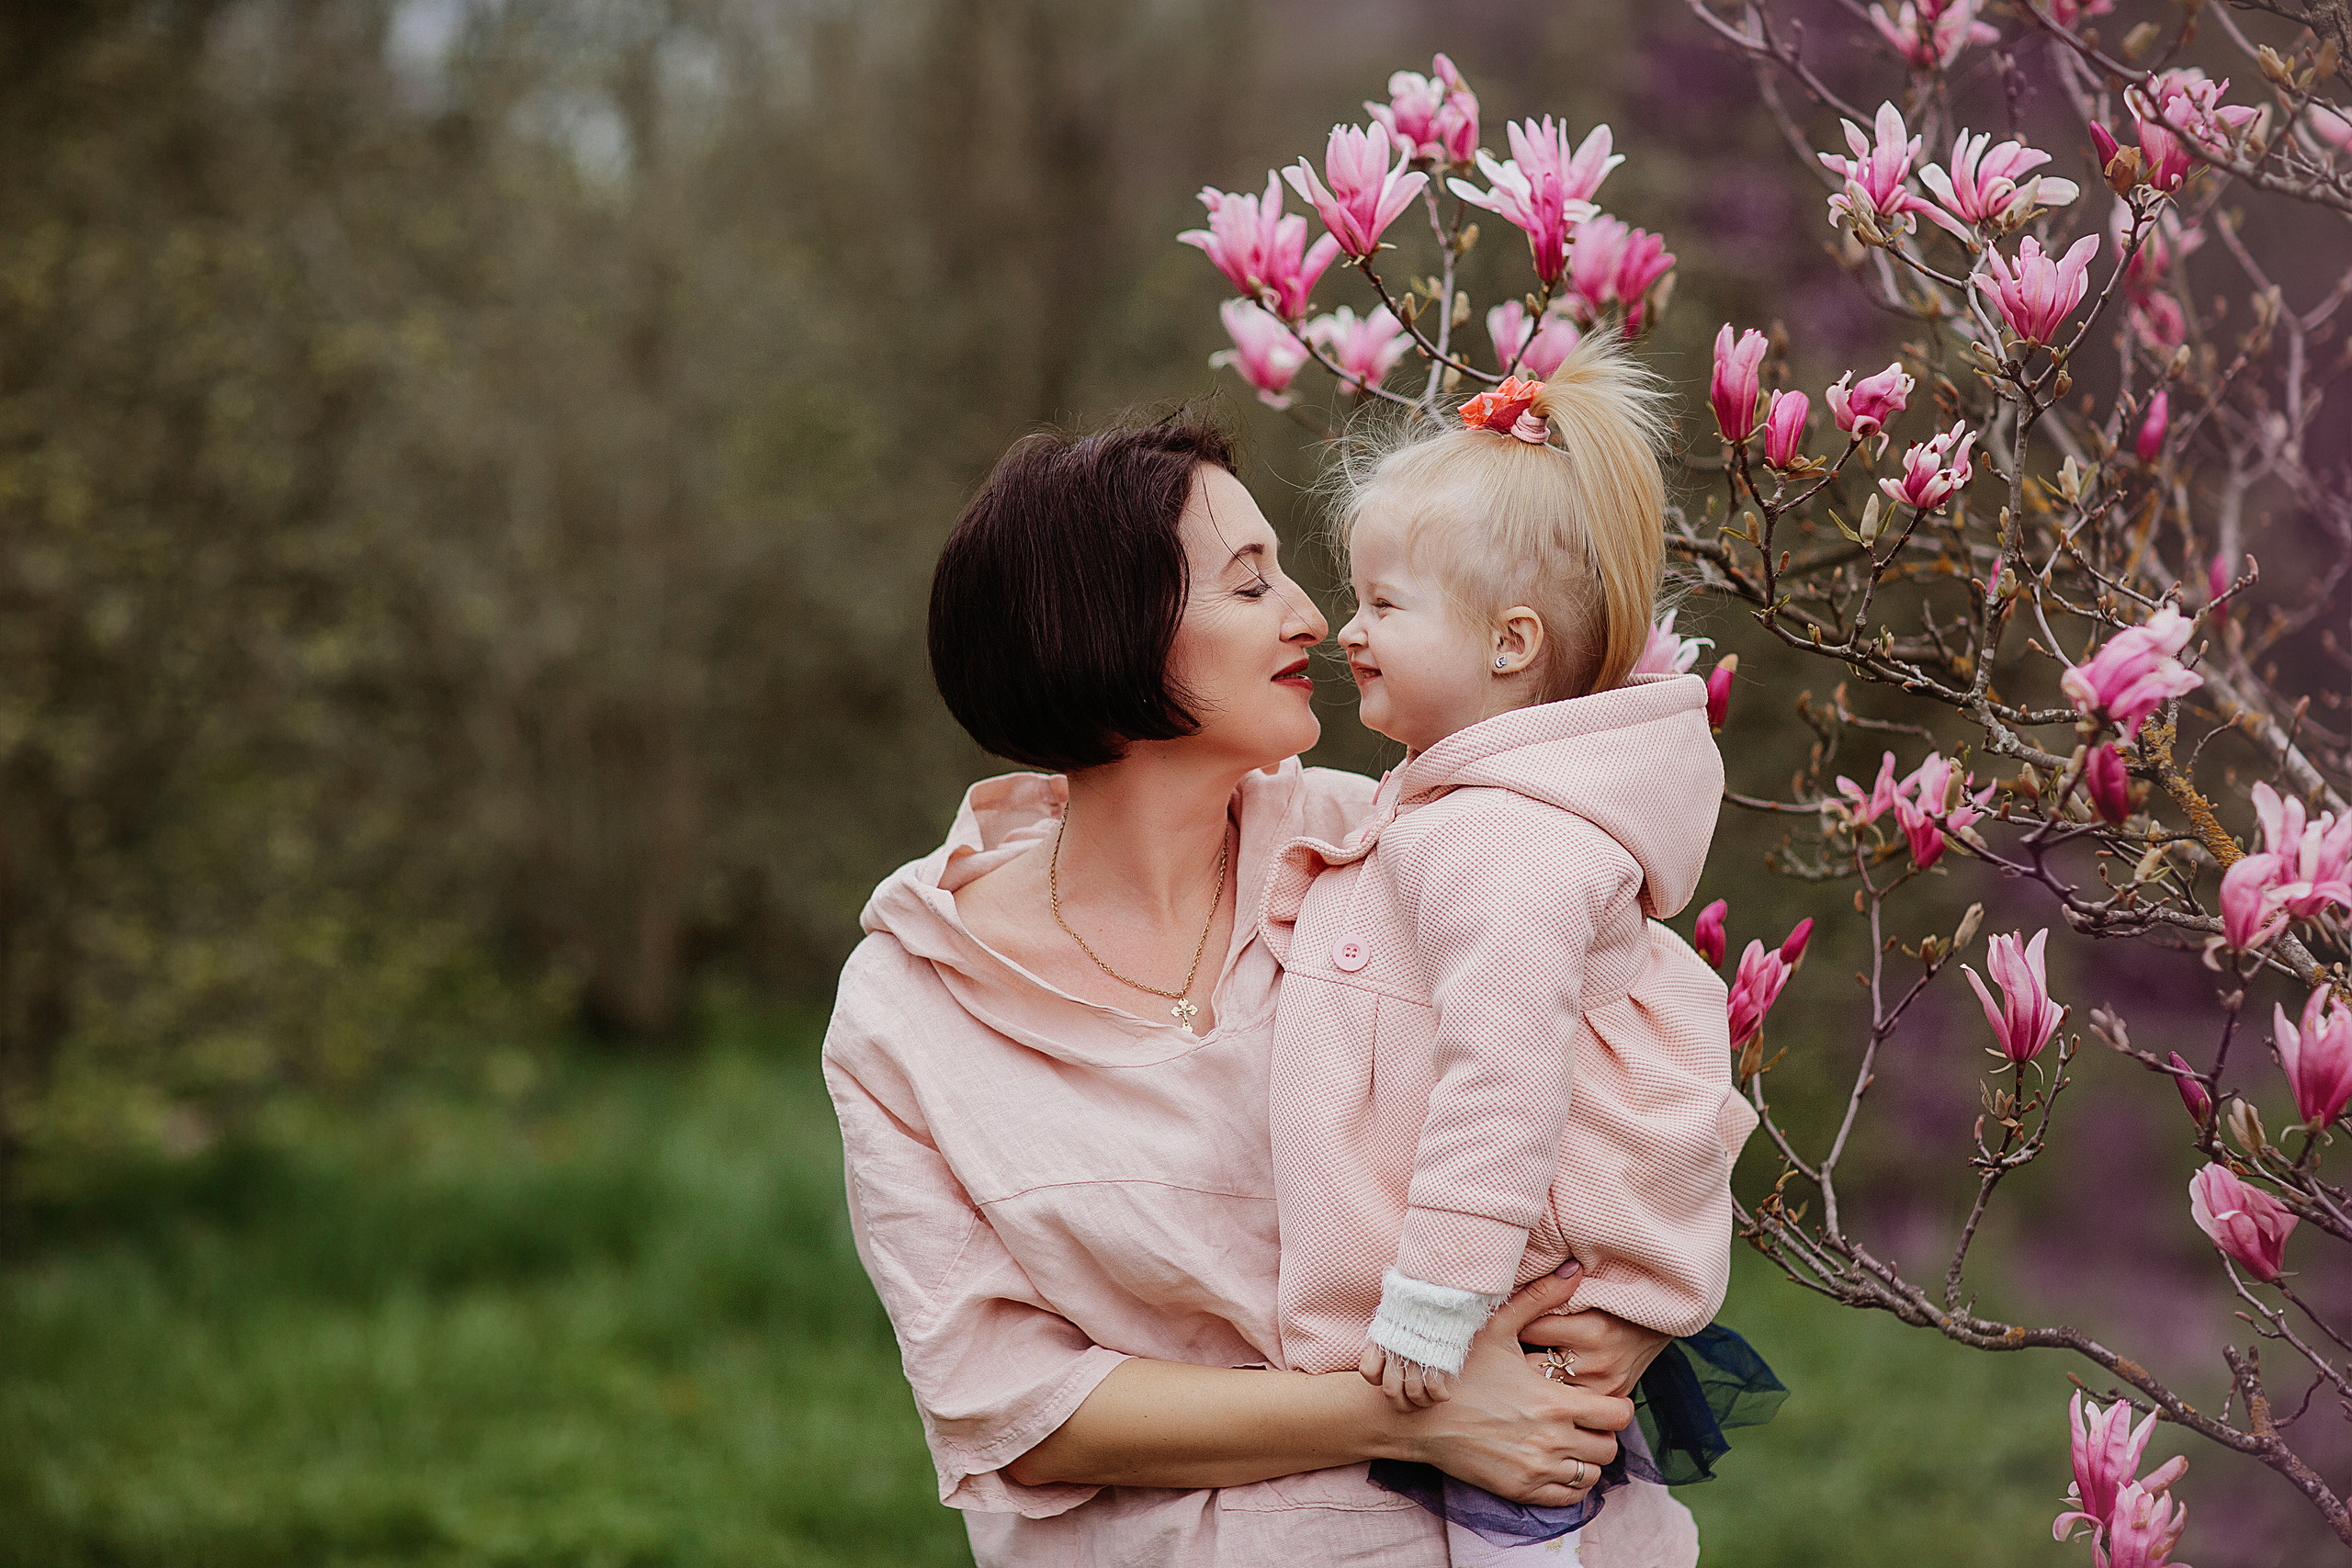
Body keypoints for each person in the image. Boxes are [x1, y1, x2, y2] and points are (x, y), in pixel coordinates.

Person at [823, 415, 1704, 1566]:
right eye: (1249, 585)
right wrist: (1409, 1414)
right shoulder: (908, 1002)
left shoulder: (1397, 840)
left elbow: (1630, 1081)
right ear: (1105, 630)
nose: (1312, 618)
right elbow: (1004, 1405)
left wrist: (1622, 1324)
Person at [1258, 343, 1758, 1565]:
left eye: (1386, 605)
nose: (1348, 629)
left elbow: (1504, 1078)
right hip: (1499, 1292)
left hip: (1499, 1300)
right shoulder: (1466, 806)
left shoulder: (1504, 837)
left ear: (1509, 642)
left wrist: (1438, 1296)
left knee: (1517, 1534)